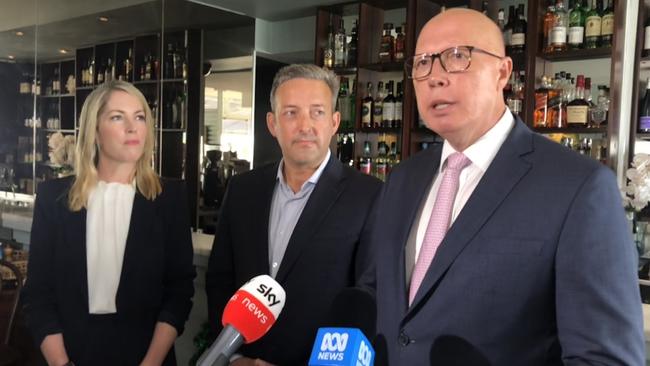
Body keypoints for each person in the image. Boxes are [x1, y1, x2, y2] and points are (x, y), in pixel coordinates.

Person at [364, 8, 645, 365]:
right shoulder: (402, 179)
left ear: (503, 72)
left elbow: (606, 358)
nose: (435, 76)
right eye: (422, 63)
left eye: (456, 56)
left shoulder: (579, 187)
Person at [205, 64, 382, 365]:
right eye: (291, 113)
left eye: (317, 112)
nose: (305, 126)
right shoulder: (243, 190)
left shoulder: (369, 196)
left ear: (335, 122)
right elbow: (221, 280)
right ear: (272, 124)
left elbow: (365, 298)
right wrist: (231, 356)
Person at [22, 80, 196, 366]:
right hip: (69, 352)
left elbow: (178, 292)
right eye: (117, 117)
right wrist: (61, 363)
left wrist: (150, 363)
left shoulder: (170, 198)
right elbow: (38, 293)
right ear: (94, 130)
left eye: (139, 116)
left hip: (146, 355)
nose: (133, 127)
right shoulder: (54, 197)